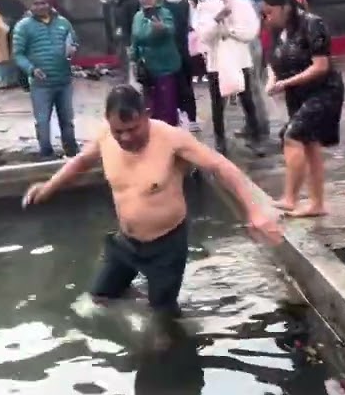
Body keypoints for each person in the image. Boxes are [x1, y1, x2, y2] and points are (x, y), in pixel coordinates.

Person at [21, 84, 282, 319]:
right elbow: (80, 162)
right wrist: (49, 186)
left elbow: (222, 167)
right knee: (99, 298)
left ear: (145, 115)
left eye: (132, 129)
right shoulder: (104, 138)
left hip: (166, 247)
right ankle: (136, 297)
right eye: (118, 131)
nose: (125, 138)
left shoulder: (171, 138)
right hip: (126, 243)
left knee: (162, 322)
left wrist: (254, 211)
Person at [261, 0, 345, 218]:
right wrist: (272, 80)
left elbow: (321, 66)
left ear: (286, 7)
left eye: (270, 11)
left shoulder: (312, 24)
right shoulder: (278, 29)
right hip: (297, 93)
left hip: (323, 91)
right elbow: (272, 62)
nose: (266, 17)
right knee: (309, 145)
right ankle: (317, 204)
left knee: (292, 136)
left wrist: (285, 83)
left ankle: (290, 198)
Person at [192, 0, 264, 154]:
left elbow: (251, 32)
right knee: (217, 103)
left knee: (247, 99)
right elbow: (204, 35)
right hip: (216, 62)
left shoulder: (243, 4)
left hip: (240, 59)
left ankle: (255, 136)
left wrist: (230, 32)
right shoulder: (206, 7)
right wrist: (217, 20)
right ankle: (220, 139)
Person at [13, 0, 79, 159]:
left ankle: (71, 151)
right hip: (40, 84)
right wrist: (31, 69)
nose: (40, 6)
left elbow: (74, 41)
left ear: (50, 4)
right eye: (36, 3)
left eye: (43, 3)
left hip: (64, 80)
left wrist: (73, 49)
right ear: (29, 6)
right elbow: (17, 54)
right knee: (43, 121)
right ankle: (46, 152)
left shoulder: (64, 23)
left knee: (67, 120)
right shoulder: (23, 26)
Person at [129, 0, 183, 127]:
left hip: (165, 68)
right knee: (150, 108)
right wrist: (133, 59)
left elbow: (171, 29)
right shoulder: (138, 17)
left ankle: (171, 140)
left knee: (167, 107)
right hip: (146, 70)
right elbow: (135, 38)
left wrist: (162, 28)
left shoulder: (164, 13)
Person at [153, 0, 198, 132]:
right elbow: (192, 23)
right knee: (186, 83)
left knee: (168, 84)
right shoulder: (184, 1)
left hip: (166, 49)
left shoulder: (157, 2)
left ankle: (172, 117)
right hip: (183, 46)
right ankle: (192, 118)